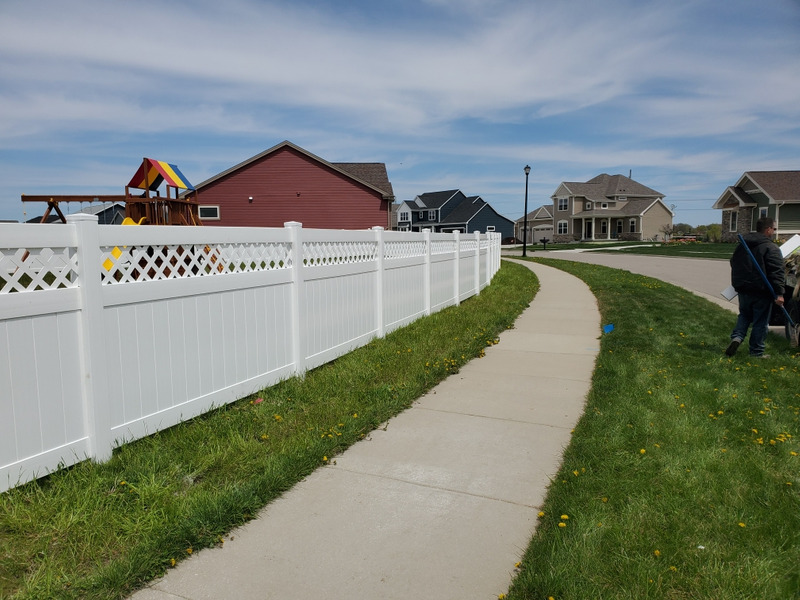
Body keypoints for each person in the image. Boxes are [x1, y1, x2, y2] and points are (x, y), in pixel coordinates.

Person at [726, 217, 785, 358]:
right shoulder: (771, 248)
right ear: (768, 229)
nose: (774, 232)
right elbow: (777, 272)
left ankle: (737, 337)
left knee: (744, 315)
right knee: (760, 321)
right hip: (761, 291)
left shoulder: (743, 245)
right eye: (774, 229)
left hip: (744, 288)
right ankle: (756, 352)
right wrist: (780, 293)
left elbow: (733, 263)